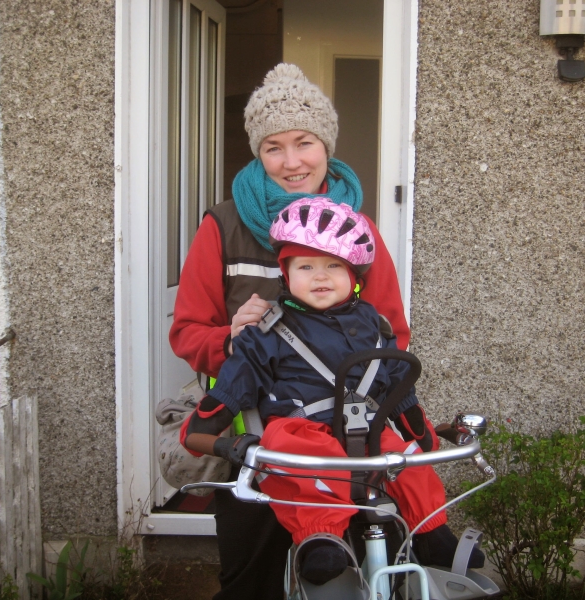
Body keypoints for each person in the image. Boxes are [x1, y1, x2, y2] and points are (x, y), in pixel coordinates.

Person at [169, 63, 409, 599]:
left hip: (349, 442)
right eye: (273, 147)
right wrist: (233, 340)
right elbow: (186, 333)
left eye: (304, 142)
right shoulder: (224, 225)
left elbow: (393, 332)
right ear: (258, 153)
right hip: (251, 444)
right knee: (251, 579)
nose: (292, 161)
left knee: (356, 572)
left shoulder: (356, 231)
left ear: (326, 145)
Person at [181, 197, 485, 586]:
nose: (320, 276)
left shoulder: (375, 323)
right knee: (301, 456)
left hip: (368, 426)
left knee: (407, 461)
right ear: (285, 274)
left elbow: (394, 381)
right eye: (305, 266)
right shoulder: (268, 330)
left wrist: (418, 431)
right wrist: (205, 423)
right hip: (302, 428)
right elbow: (237, 380)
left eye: (333, 266)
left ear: (354, 274)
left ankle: (432, 534)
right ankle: (321, 538)